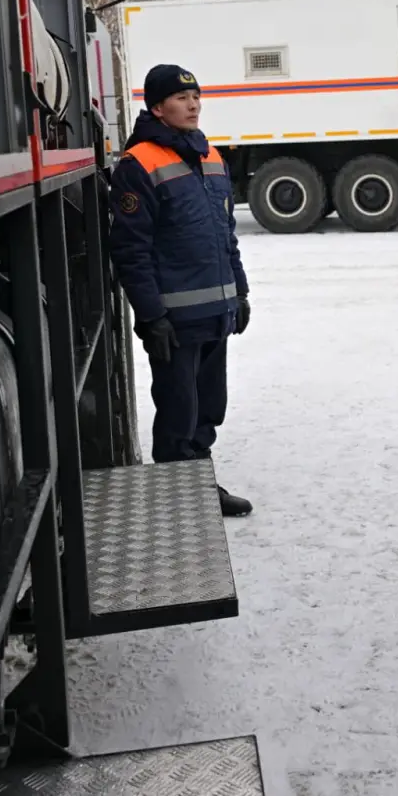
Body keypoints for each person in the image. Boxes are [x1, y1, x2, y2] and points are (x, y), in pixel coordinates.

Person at [109, 64, 253, 517]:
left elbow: (224, 233)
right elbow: (131, 250)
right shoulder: (139, 165)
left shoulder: (210, 156)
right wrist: (151, 316)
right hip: (175, 319)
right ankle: (177, 504)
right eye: (180, 98)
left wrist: (240, 292)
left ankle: (200, 486)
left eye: (196, 97)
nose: (193, 105)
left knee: (209, 407)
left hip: (216, 311)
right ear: (156, 107)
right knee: (178, 412)